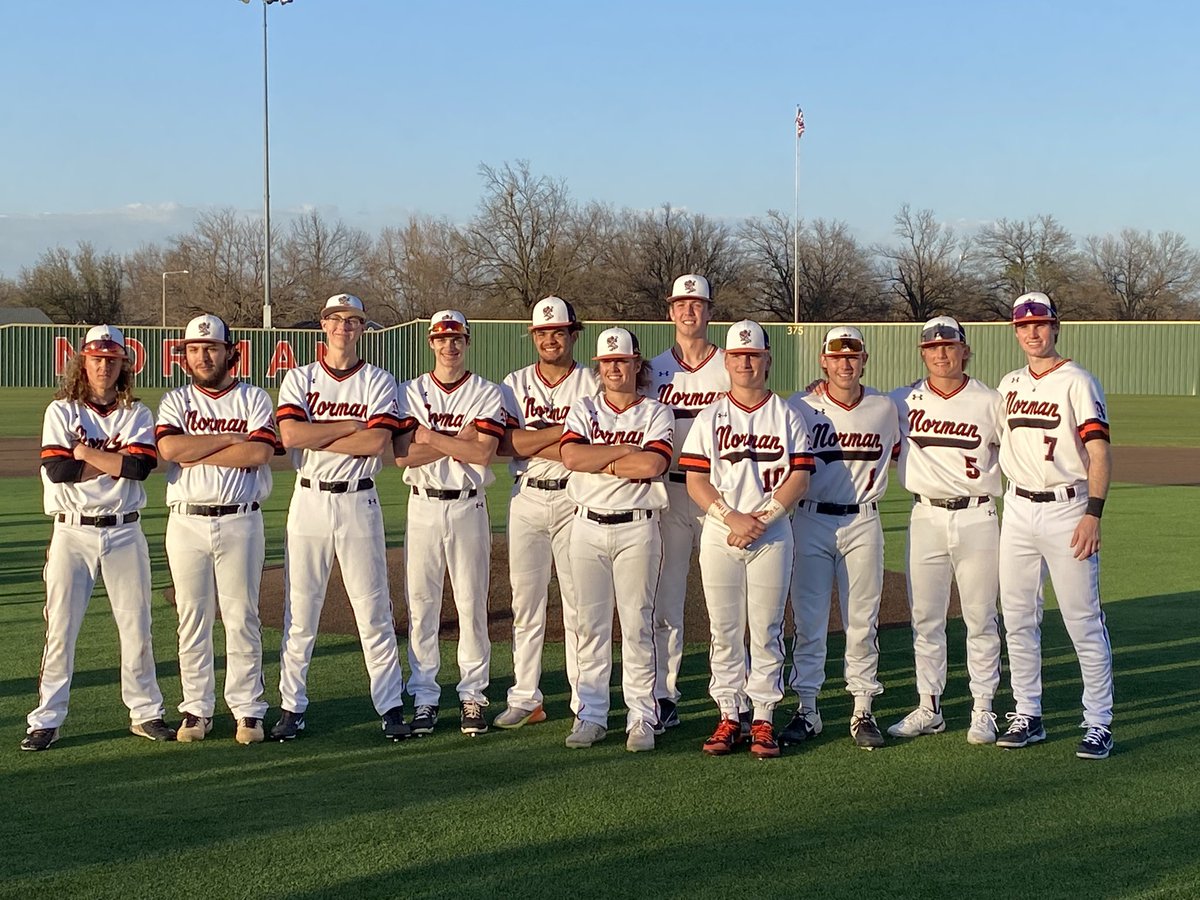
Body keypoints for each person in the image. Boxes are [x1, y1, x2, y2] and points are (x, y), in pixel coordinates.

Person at [23, 325, 174, 751]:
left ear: (124, 364)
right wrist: (115, 461)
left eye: (112, 359)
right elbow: (58, 471)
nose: (104, 365)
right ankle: (46, 719)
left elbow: (140, 468)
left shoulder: (138, 414)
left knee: (137, 626)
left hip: (124, 529)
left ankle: (145, 713)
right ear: (83, 362)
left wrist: (86, 453)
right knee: (61, 628)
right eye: (96, 358)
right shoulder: (62, 410)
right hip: (72, 530)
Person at [273, 294, 408, 742]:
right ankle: (292, 708)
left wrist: (325, 435)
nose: (344, 328)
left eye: (353, 321)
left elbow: (376, 445)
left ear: (362, 329)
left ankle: (389, 707)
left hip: (358, 502)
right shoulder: (300, 377)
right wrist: (351, 427)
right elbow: (291, 434)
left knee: (374, 610)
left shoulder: (378, 380)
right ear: (324, 325)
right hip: (309, 501)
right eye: (336, 320)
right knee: (300, 611)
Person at [679, 321, 813, 759]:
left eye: (753, 354)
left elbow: (800, 476)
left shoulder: (787, 414)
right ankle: (728, 713)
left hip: (772, 533)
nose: (745, 362)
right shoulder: (711, 416)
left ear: (767, 359)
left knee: (767, 627)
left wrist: (764, 517)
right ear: (727, 361)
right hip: (721, 530)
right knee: (725, 628)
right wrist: (730, 516)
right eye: (737, 356)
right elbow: (695, 479)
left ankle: (763, 716)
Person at [995, 291, 1115, 760]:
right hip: (1019, 510)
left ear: (1055, 327)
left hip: (1069, 507)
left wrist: (1094, 513)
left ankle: (1099, 721)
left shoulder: (1078, 381)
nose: (1033, 332)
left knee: (1082, 619)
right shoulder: (1008, 384)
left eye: (1040, 324)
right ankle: (1028, 713)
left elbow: (1100, 452)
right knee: (1019, 617)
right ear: (1016, 332)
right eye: (1024, 326)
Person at [155, 314, 275, 744]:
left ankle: (247, 710)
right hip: (186, 520)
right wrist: (230, 441)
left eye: (211, 347)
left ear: (229, 351)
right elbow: (170, 447)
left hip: (240, 516)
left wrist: (199, 449)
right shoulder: (175, 400)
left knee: (242, 616)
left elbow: (259, 453)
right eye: (194, 349)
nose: (203, 355)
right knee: (192, 618)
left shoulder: (254, 397)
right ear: (184, 355)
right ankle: (196, 709)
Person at [886, 316, 1004, 745]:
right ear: (923, 353)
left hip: (977, 516)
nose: (941, 353)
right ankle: (929, 705)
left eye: (949, 346)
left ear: (965, 350)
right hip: (926, 517)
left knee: (981, 617)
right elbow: (856, 405)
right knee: (925, 618)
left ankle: (984, 708)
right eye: (932, 347)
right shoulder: (901, 401)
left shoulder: (991, 401)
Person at [783, 326, 900, 750]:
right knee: (809, 621)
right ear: (823, 361)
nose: (845, 364)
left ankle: (863, 707)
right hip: (810, 519)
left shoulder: (887, 407)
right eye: (837, 356)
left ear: (864, 360)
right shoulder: (800, 405)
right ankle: (808, 708)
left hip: (863, 521)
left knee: (862, 620)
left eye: (852, 356)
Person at [560, 327, 673, 752]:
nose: (613, 369)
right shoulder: (584, 408)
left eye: (621, 361)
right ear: (599, 367)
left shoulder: (655, 412)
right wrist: (624, 453)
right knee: (589, 626)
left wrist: (601, 460)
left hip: (638, 527)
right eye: (606, 362)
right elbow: (571, 456)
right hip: (586, 525)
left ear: (636, 365)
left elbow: (654, 464)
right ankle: (590, 715)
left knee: (637, 624)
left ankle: (641, 716)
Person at [394, 310, 506, 737]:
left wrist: (430, 437)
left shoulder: (485, 392)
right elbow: (403, 455)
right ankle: (424, 696)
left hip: (467, 504)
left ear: (467, 341)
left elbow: (482, 453)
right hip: (422, 505)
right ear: (430, 343)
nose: (449, 345)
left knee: (471, 604)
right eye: (441, 338)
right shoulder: (410, 392)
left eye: (456, 337)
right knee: (422, 605)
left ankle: (473, 694)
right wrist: (457, 441)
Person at [493, 297, 598, 729]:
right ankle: (525, 697)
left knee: (580, 605)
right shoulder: (513, 383)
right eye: (542, 332)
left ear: (573, 334)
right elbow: (503, 446)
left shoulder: (592, 382)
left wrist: (534, 437)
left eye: (558, 331)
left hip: (576, 498)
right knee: (526, 603)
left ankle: (584, 699)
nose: (550, 339)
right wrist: (564, 437)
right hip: (527, 497)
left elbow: (588, 453)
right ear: (532, 336)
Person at [648, 274, 729, 732]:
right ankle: (663, 694)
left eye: (696, 303)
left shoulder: (730, 364)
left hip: (720, 495)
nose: (688, 311)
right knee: (666, 600)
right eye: (681, 303)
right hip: (670, 493)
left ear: (709, 310)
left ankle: (728, 695)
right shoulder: (652, 370)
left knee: (726, 601)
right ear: (670, 310)